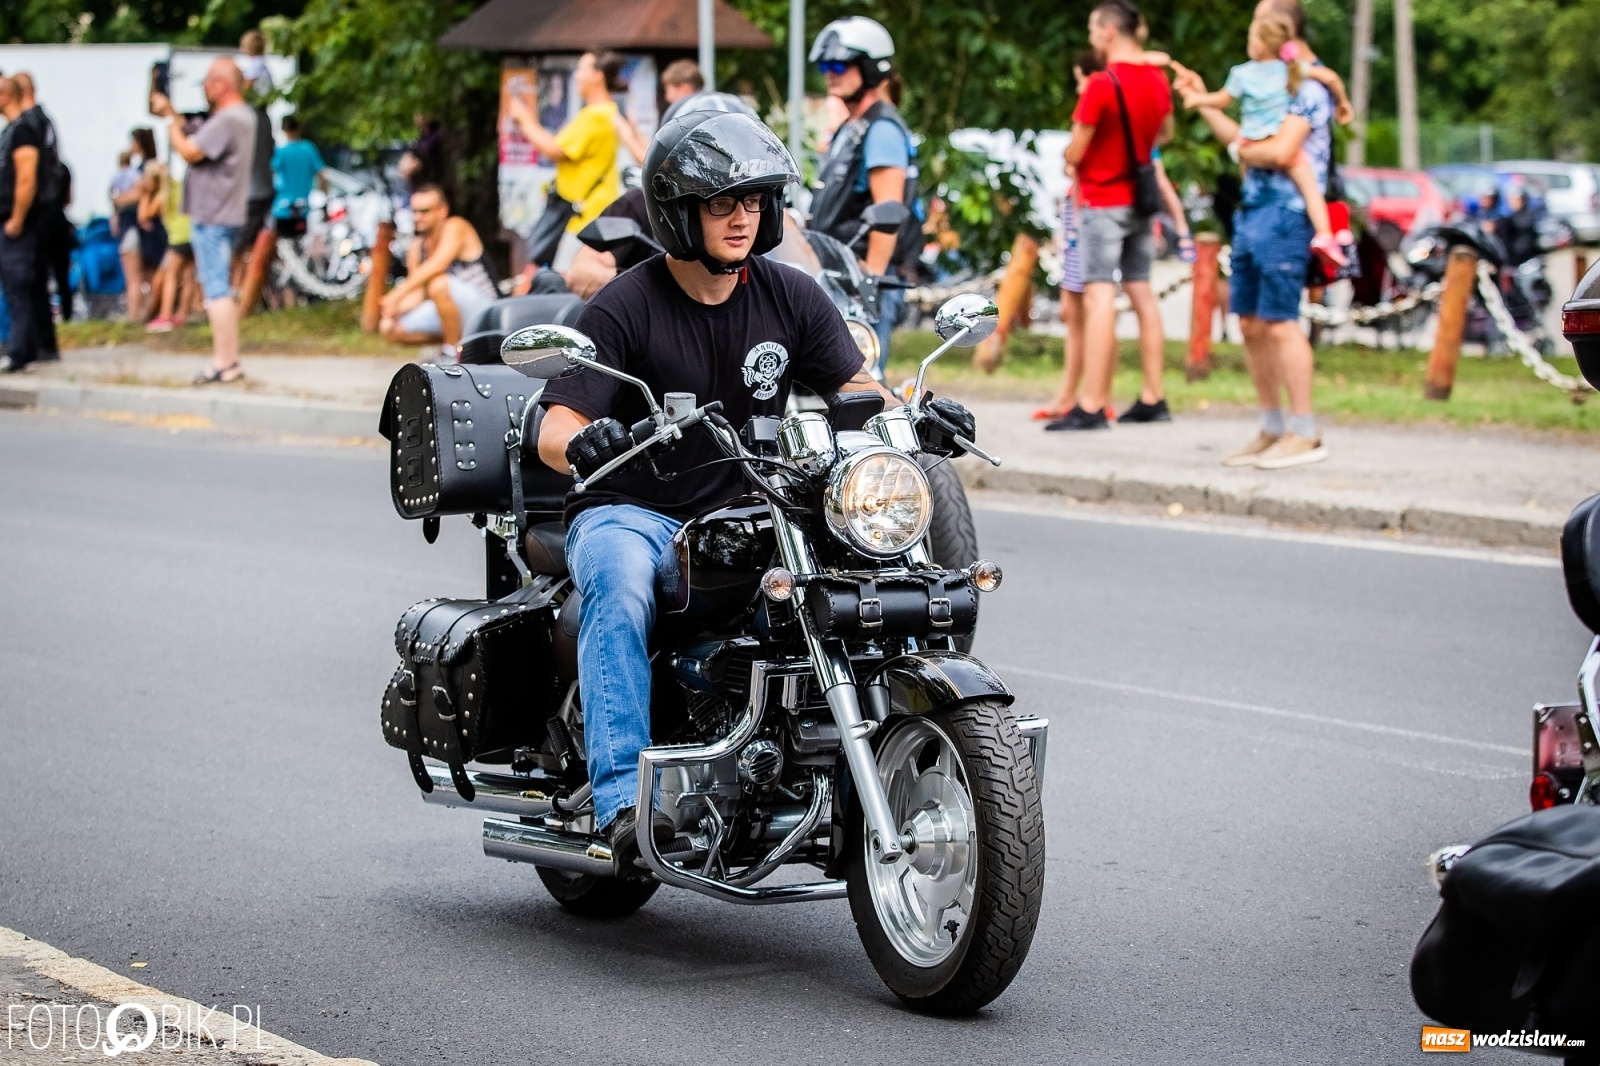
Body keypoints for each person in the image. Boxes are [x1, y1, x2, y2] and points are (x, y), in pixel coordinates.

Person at [533, 109, 951, 869]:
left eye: (755, 201)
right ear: (678, 211)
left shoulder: (789, 296)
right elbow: (553, 424)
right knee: (621, 587)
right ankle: (622, 801)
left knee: (855, 578)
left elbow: (856, 388)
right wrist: (585, 440)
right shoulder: (629, 302)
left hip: (750, 512)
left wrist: (917, 415)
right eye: (723, 202)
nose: (742, 217)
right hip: (635, 512)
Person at [1172, 0, 1333, 468]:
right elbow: (1240, 141)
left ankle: (1305, 432)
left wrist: (1248, 146)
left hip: (1287, 214)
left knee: (1281, 321)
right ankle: (1273, 426)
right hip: (1252, 212)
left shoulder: (1310, 83)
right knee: (1250, 323)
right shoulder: (1265, 82)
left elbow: (1283, 151)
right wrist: (1203, 100)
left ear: (1281, 30)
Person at [1054, 0, 1173, 431]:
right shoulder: (1158, 80)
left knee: (1100, 293)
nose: (1090, 38)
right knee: (1141, 291)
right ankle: (1153, 395)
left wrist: (1073, 156)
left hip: (1103, 201)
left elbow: (1075, 150)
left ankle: (1092, 403)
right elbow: (1165, 133)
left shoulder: (1102, 84)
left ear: (1107, 31)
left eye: (1091, 30)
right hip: (1141, 201)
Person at [1171, 12, 1347, 271]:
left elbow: (1223, 101)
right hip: (1273, 139)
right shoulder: (1292, 71)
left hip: (1252, 143)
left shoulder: (1242, 73)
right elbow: (1330, 77)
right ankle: (1325, 234)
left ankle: (1318, 231)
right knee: (1310, 188)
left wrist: (1199, 99)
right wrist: (1343, 103)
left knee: (1254, 167)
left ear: (1258, 44)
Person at [808, 16, 920, 371]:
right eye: (826, 65)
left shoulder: (882, 128)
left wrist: (868, 279)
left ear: (871, 68)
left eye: (840, 64)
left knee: (863, 384)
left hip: (860, 285)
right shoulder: (852, 125)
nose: (831, 73)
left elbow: (889, 210)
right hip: (838, 277)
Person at [151, 58, 256, 385]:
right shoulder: (242, 117)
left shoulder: (229, 119)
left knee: (216, 289)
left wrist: (170, 119)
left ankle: (225, 362)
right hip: (225, 212)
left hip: (213, 214)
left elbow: (190, 151)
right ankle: (228, 361)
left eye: (208, 82)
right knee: (217, 286)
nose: (204, 88)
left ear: (223, 84)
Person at [508, 50, 625, 270]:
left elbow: (553, 150)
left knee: (566, 280)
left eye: (581, 69)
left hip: (586, 214)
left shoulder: (597, 115)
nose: (576, 76)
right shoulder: (601, 111)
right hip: (585, 211)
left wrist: (524, 119)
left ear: (597, 76)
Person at [378, 184, 498, 359]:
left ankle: (451, 353)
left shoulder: (456, 226)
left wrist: (397, 294)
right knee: (389, 327)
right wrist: (396, 308)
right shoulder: (417, 247)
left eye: (424, 211)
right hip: (449, 308)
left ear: (442, 210)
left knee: (438, 283)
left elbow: (437, 265)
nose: (417, 217)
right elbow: (419, 293)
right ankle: (455, 345)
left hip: (485, 310)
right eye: (414, 211)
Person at [0, 75, 49, 373]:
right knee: (13, 286)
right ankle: (20, 347)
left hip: (15, 223)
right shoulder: (12, 130)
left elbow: (26, 178)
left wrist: (17, 218)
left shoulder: (23, 132)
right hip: (9, 220)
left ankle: (20, 351)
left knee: (18, 286)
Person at [235, 30, 277, 292]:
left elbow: (245, 89)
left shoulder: (254, 68)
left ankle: (239, 285)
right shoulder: (266, 69)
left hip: (255, 190)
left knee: (240, 242)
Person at [612, 59, 703, 163]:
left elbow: (656, 165)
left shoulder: (687, 121)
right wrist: (634, 129)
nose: (667, 98)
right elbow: (654, 152)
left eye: (668, 90)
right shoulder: (706, 112)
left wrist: (626, 133)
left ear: (684, 89)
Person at [270, 115, 325, 223]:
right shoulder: (309, 149)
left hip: (282, 207)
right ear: (299, 127)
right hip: (303, 208)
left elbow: (271, 173)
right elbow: (322, 175)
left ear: (284, 129)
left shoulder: (282, 151)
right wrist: (326, 200)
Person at [398, 114, 444, 193]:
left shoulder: (435, 137)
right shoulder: (423, 137)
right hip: (421, 188)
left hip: (430, 187)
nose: (418, 116)